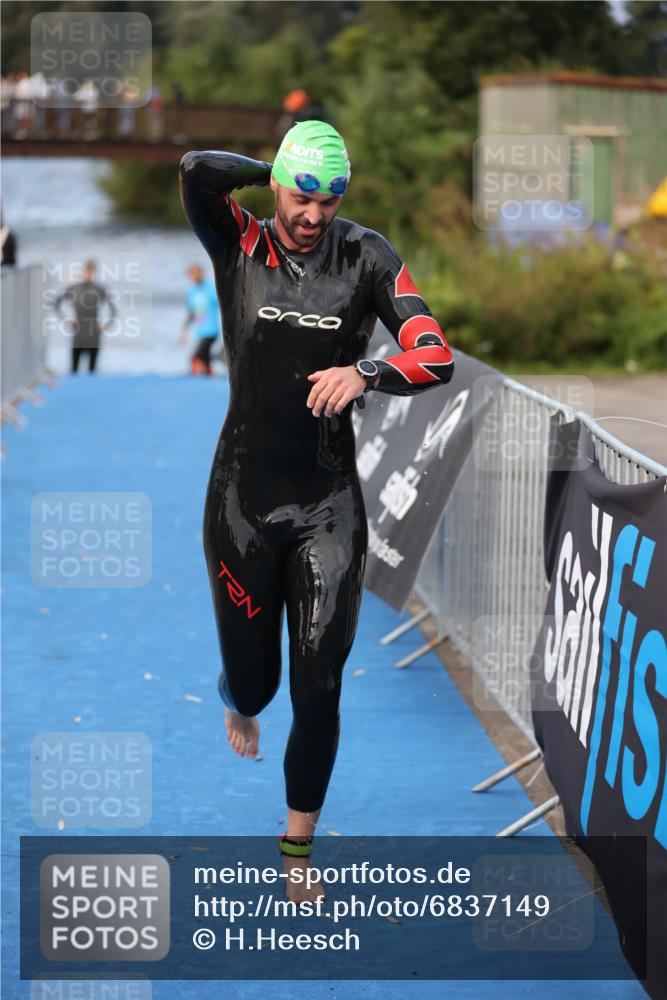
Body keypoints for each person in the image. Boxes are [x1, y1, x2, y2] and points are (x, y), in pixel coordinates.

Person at [179, 120, 453, 893]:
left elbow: (433, 353)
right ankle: (239, 697)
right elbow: (197, 167)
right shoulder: (239, 242)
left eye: (331, 198)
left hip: (328, 506)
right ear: (276, 189)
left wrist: (367, 371)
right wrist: (284, 166)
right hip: (241, 504)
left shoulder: (367, 256)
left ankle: (296, 852)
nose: (314, 214)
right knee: (258, 685)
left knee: (320, 685)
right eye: (304, 194)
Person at [53, 259, 116, 374]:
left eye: (91, 271)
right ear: (83, 271)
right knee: (74, 371)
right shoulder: (74, 288)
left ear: (94, 272)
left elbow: (113, 310)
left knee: (92, 371)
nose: (89, 274)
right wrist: (66, 319)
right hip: (78, 333)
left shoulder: (99, 289)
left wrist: (105, 325)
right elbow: (56, 303)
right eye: (87, 271)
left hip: (93, 333)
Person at [179, 264, 222, 375]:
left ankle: (197, 377)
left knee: (196, 357)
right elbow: (192, 313)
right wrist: (184, 329)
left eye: (196, 273)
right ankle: (210, 373)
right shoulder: (191, 293)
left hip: (212, 329)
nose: (195, 276)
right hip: (200, 331)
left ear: (201, 273)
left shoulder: (211, 288)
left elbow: (223, 305)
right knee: (205, 355)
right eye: (192, 274)